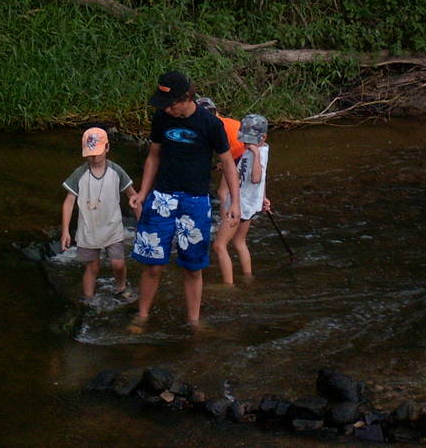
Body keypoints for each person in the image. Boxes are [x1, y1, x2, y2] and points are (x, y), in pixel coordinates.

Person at [129, 71, 241, 329]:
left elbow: (228, 163)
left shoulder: (210, 124)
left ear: (186, 98)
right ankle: (142, 316)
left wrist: (234, 202)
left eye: (170, 104)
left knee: (192, 267)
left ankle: (194, 321)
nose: (166, 109)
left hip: (196, 201)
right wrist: (143, 192)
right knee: (152, 265)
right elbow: (153, 157)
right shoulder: (161, 118)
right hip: (162, 198)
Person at [60, 127, 140, 302]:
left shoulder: (116, 171)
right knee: (92, 266)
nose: (94, 157)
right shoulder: (80, 174)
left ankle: (121, 287)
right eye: (90, 154)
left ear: (107, 147)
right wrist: (65, 231)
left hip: (113, 227)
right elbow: (69, 202)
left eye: (97, 152)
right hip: (88, 229)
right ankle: (88, 300)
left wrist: (141, 224)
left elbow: (133, 196)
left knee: (118, 263)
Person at [212, 114, 270, 285]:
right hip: (247, 203)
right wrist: (263, 197)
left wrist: (256, 155)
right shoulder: (254, 149)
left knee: (219, 245)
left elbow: (256, 178)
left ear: (263, 138)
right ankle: (248, 276)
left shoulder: (259, 153)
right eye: (244, 140)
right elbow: (260, 179)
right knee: (239, 242)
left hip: (241, 205)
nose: (245, 144)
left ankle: (228, 285)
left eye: (249, 141)